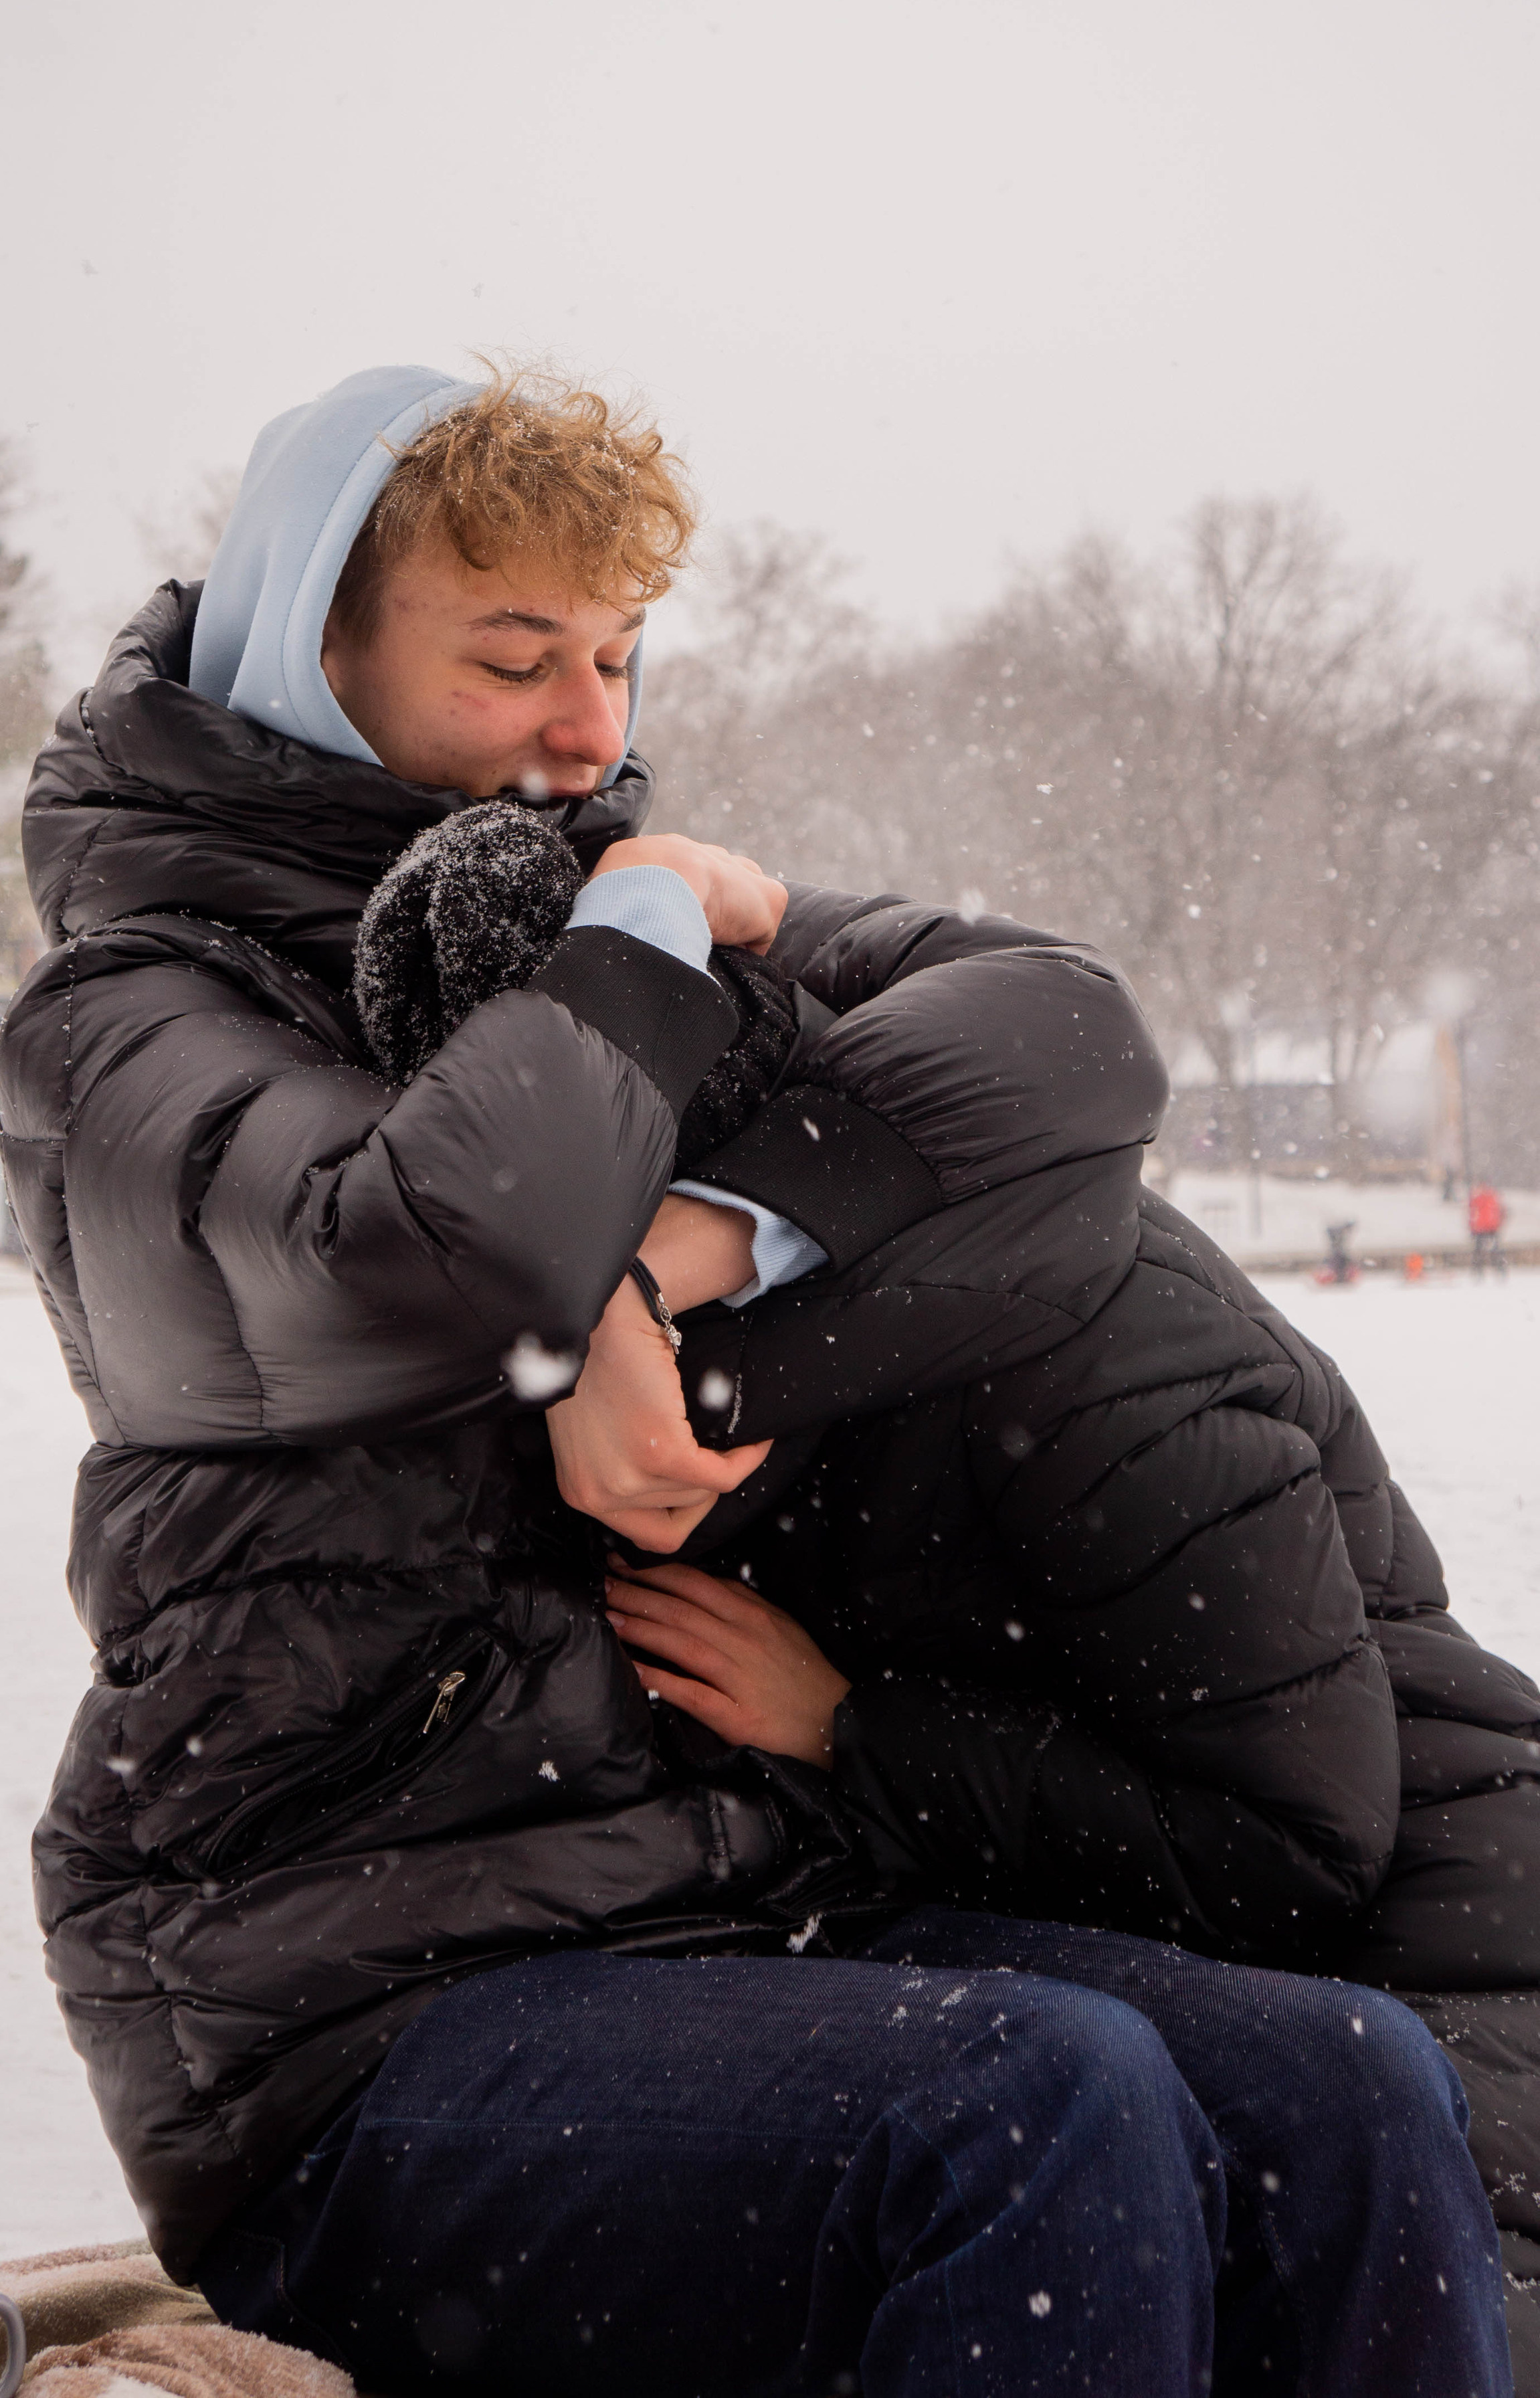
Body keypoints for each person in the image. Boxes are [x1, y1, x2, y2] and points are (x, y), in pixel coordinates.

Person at [0, 364, 1521, 2395]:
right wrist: (632, 941)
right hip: (349, 2015)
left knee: (1337, 2086)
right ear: (314, 647)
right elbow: (432, 1252)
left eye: (618, 658)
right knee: (1023, 2101)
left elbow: (1069, 1040)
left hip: (747, 1919)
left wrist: (671, 1253)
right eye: (516, 656)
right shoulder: (119, 1030)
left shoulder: (575, 917)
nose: (591, 730)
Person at [1469, 1180, 1507, 1275]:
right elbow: (1472, 1213)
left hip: (1489, 1227)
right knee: (1482, 1250)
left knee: (1493, 1249)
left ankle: (1496, 1267)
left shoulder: (1490, 1198)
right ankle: (1480, 1269)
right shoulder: (1486, 1198)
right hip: (1483, 1227)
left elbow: (1500, 1212)